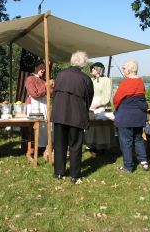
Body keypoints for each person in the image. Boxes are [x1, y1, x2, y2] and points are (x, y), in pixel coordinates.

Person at [51, 51, 94, 184]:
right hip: (76, 116)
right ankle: (75, 175)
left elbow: (54, 94)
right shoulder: (85, 79)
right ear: (83, 63)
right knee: (75, 146)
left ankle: (59, 173)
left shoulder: (60, 75)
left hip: (59, 115)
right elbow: (89, 98)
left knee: (59, 144)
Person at [113, 59, 149, 173]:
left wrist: (116, 109)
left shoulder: (126, 83)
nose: (123, 70)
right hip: (139, 116)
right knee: (138, 138)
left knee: (126, 141)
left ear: (129, 70)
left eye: (124, 68)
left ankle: (128, 167)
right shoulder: (141, 82)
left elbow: (116, 99)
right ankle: (144, 161)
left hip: (126, 117)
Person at [84, 62, 115, 157]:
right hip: (92, 107)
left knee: (102, 129)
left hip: (102, 107)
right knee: (93, 127)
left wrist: (100, 104)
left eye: (93, 68)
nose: (91, 70)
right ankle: (92, 146)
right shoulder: (91, 80)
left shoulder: (107, 80)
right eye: (91, 68)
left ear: (99, 69)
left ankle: (102, 148)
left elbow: (108, 95)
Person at [24, 59, 54, 152]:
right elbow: (34, 94)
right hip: (33, 106)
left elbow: (51, 94)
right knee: (36, 126)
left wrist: (51, 86)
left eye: (44, 68)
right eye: (41, 68)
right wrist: (45, 86)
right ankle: (33, 148)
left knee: (46, 126)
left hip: (44, 105)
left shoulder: (43, 80)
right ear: (35, 68)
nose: (43, 70)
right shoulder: (30, 79)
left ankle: (44, 147)